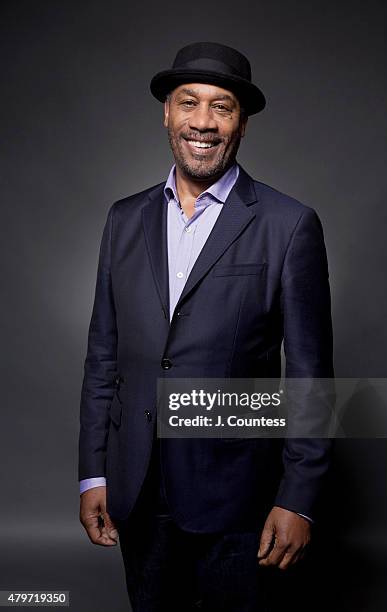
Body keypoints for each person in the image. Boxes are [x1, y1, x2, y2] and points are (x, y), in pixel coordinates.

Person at [78, 41, 334, 611]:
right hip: (137, 488)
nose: (203, 122)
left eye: (222, 107)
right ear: (166, 113)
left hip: (238, 500)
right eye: (188, 103)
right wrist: (93, 474)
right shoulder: (124, 219)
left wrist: (299, 498)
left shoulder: (289, 225)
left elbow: (312, 378)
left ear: (241, 123)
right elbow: (103, 356)